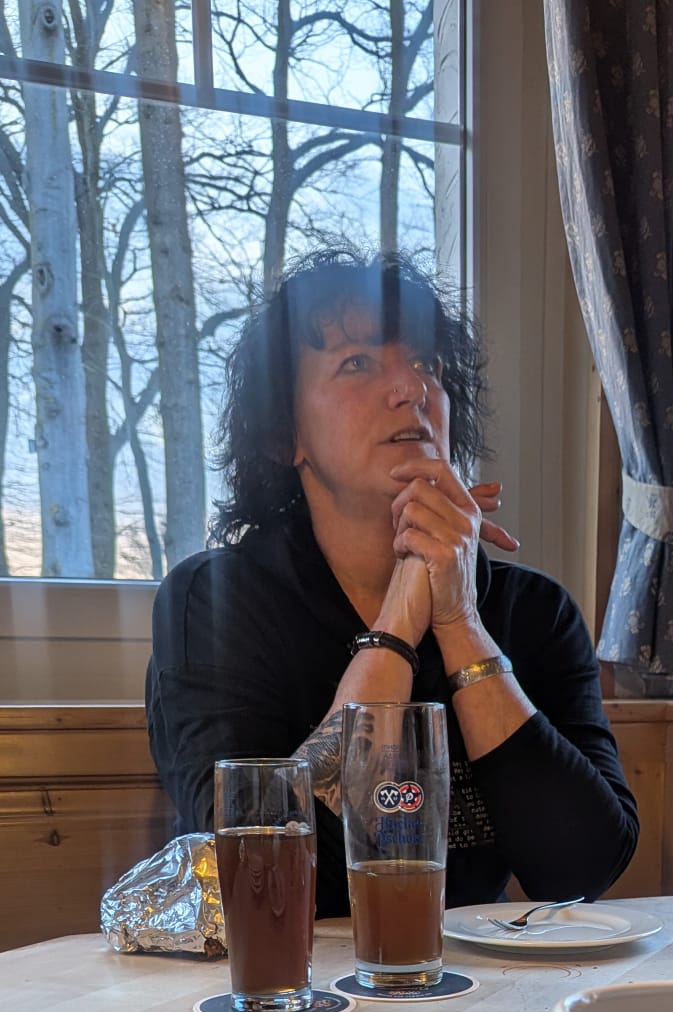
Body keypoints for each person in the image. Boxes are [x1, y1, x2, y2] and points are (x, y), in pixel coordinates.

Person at [146, 246, 639, 917]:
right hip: (288, 972)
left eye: (427, 363)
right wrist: (399, 623)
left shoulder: (535, 611)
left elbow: (581, 869)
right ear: (283, 435)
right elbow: (261, 876)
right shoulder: (217, 603)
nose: (413, 388)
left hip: (473, 973)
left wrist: (459, 621)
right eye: (357, 363)